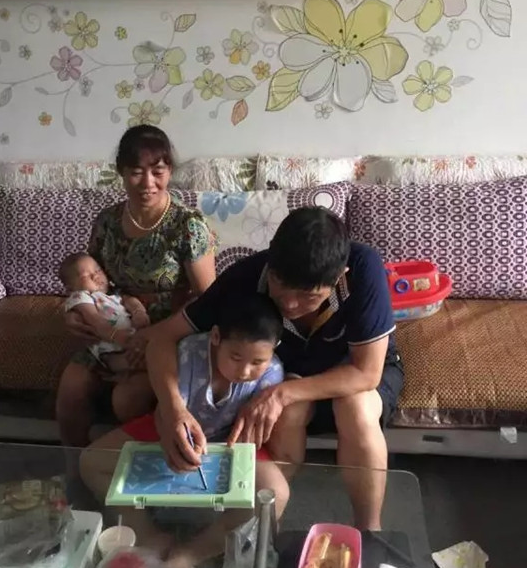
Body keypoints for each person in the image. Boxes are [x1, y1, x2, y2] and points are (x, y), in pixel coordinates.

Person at [146, 208, 404, 531]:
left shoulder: (364, 269)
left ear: (340, 276)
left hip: (356, 375)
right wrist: (174, 409)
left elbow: (367, 373)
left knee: (354, 407)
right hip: (293, 377)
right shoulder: (246, 276)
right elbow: (163, 339)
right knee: (286, 410)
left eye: (308, 297)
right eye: (280, 286)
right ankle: (266, 514)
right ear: (270, 261)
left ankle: (369, 530)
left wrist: (282, 394)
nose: (291, 305)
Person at [80, 293, 292, 568]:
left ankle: (195, 551)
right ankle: (147, 534)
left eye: (257, 362)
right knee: (92, 461)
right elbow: (166, 414)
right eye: (235, 357)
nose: (244, 371)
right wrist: (174, 438)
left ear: (275, 349)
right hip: (171, 426)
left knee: (276, 493)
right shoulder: (189, 354)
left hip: (229, 439)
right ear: (215, 337)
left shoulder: (273, 373)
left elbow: (250, 436)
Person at [56, 125, 217, 447]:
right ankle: (76, 468)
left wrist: (152, 337)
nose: (147, 183)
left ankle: (133, 469)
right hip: (115, 326)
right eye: (136, 172)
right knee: (71, 388)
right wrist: (72, 313)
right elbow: (90, 279)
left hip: (169, 333)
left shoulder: (188, 226)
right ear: (121, 172)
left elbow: (209, 300)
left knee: (126, 400)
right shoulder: (107, 222)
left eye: (158, 171)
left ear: (170, 171)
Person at [60, 252, 150, 376]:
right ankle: (129, 365)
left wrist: (138, 312)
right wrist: (116, 336)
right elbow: (95, 320)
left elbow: (130, 300)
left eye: (98, 270)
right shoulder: (80, 296)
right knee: (114, 359)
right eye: (86, 275)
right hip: (108, 344)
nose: (96, 276)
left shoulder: (114, 293)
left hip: (132, 335)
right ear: (71, 289)